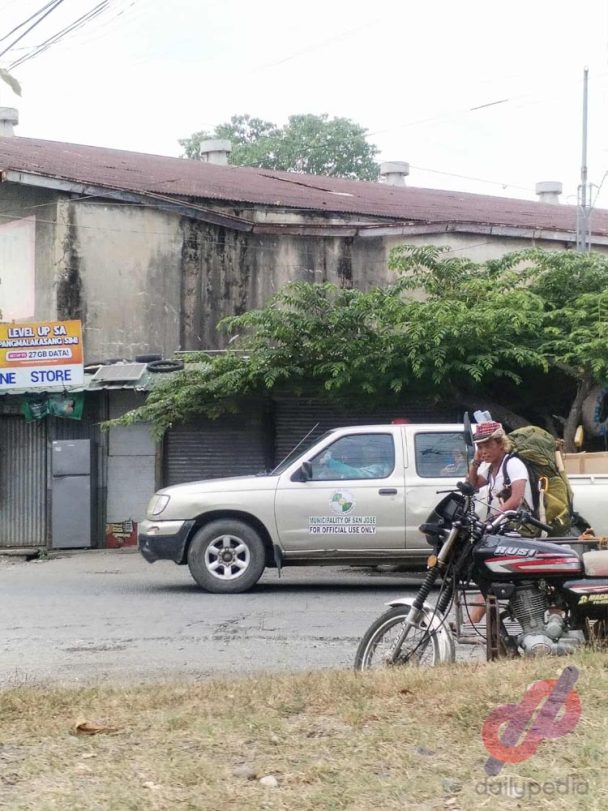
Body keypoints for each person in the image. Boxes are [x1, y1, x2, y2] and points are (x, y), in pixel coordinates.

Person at [466, 420, 532, 623]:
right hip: (504, 528)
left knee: (490, 571)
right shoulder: (491, 469)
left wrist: (493, 519)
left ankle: (473, 621)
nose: (483, 451)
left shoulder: (513, 464)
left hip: (524, 529)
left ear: (500, 444)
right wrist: (475, 462)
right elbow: (471, 485)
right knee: (485, 573)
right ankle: (474, 622)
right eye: (480, 447)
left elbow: (516, 499)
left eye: (487, 445)